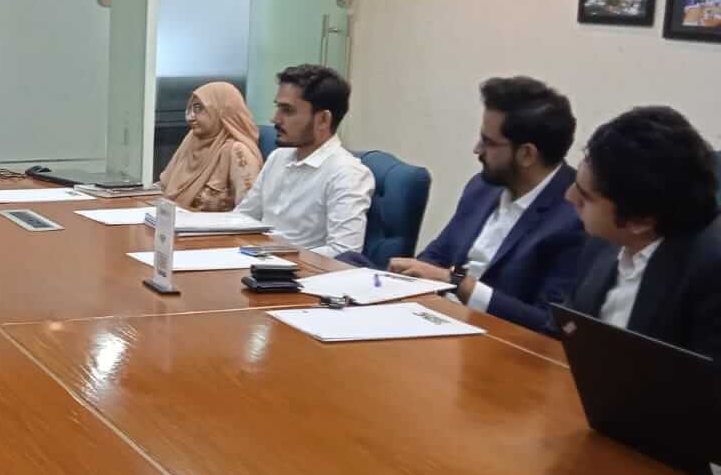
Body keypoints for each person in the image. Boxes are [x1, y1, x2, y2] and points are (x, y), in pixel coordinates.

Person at [383, 77, 584, 334]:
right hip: (436, 320)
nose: (477, 149)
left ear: (527, 154)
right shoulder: (482, 187)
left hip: (497, 342)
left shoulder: (575, 216)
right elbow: (436, 256)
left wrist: (458, 283)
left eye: (488, 142)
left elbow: (549, 323)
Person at [565, 105, 721, 357]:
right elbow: (565, 329)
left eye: (585, 197)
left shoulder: (710, 274)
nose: (569, 197)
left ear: (640, 221)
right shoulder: (603, 240)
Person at [233, 65, 374, 257]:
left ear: (323, 120)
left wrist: (269, 254)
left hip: (295, 270)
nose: (275, 119)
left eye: (287, 111)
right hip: (253, 258)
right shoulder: (278, 157)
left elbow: (344, 251)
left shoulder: (347, 174)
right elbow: (243, 217)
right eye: (277, 107)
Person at [157, 82, 263, 211]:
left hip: (212, 224)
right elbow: (164, 186)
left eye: (198, 109)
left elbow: (249, 212)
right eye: (189, 110)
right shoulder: (191, 140)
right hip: (174, 218)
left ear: (221, 111)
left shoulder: (237, 151)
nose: (190, 118)